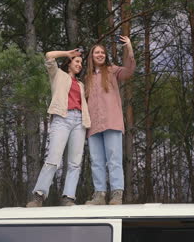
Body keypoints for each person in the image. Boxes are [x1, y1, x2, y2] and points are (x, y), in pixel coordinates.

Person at [26, 49, 90, 207]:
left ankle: (68, 197)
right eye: (77, 62)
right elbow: (49, 55)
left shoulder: (81, 84)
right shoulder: (57, 74)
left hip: (79, 122)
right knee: (53, 159)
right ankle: (39, 196)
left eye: (81, 63)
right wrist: (67, 53)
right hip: (62, 118)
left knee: (75, 163)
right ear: (69, 64)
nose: (80, 65)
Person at [84, 36, 136, 205]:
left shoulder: (112, 70)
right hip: (93, 125)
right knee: (96, 161)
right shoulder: (87, 77)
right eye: (96, 52)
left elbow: (129, 71)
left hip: (112, 121)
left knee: (114, 159)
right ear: (91, 56)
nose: (100, 55)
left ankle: (116, 194)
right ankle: (99, 195)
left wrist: (128, 47)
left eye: (102, 52)